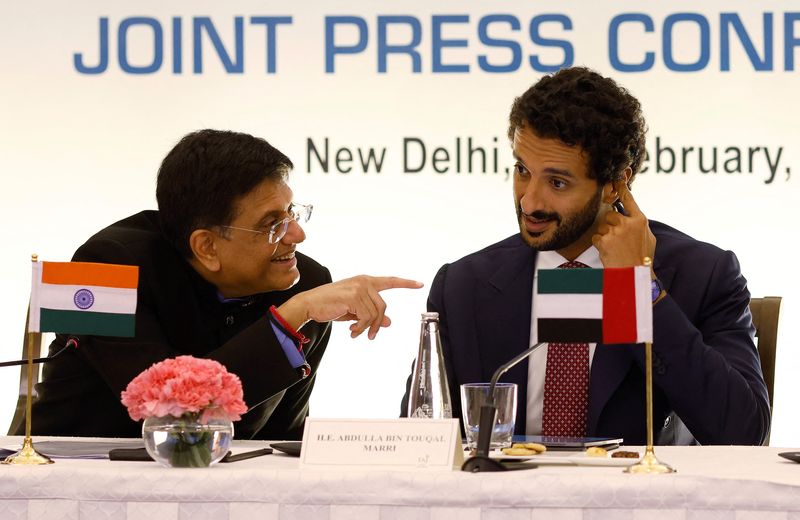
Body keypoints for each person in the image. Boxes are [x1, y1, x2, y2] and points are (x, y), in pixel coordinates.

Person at [402, 67, 770, 445]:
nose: (530, 201)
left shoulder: (702, 275)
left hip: (643, 501)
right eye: (522, 171)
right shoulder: (463, 286)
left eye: (557, 182)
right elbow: (422, 443)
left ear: (614, 184)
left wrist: (637, 288)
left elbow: (744, 435)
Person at [22, 129, 422, 439]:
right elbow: (171, 417)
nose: (297, 235)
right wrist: (291, 317)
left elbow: (283, 434)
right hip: (75, 482)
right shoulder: (101, 263)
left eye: (293, 213)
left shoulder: (308, 281)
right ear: (207, 246)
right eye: (273, 224)